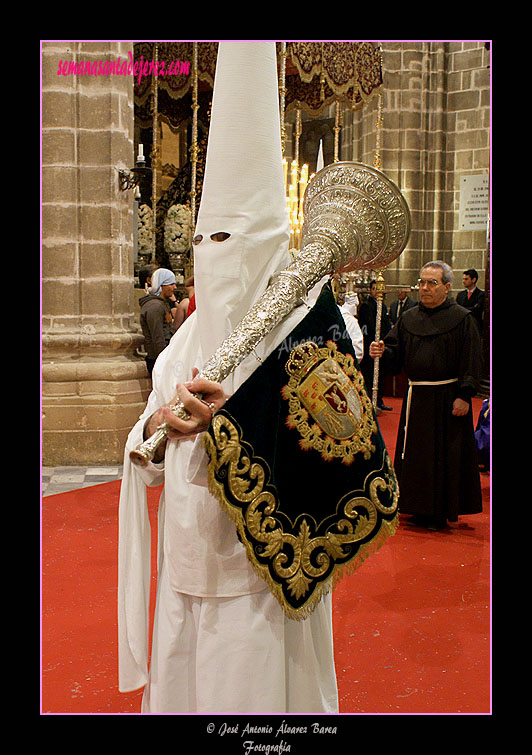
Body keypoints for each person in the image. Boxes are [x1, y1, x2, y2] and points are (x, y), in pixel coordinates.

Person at [118, 42, 339, 714]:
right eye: (208, 243)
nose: (219, 259)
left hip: (263, 578)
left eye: (234, 243)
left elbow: (343, 455)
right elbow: (143, 447)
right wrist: (158, 424)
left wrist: (235, 419)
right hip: (188, 568)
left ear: (272, 248)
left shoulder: (311, 336)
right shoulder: (177, 346)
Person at [369, 260, 483, 530]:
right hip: (417, 397)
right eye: (421, 282)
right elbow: (396, 356)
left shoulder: (462, 319)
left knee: (444, 455)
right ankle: (415, 506)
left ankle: (440, 510)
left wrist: (465, 395)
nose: (424, 288)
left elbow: (472, 360)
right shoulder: (408, 318)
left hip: (448, 397)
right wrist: (383, 352)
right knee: (416, 454)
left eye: (432, 283)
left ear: (446, 286)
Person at [357, 279, 392, 412]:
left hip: (381, 344)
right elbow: (367, 327)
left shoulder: (382, 306)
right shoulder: (366, 306)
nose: (377, 291)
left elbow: (385, 325)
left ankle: (380, 400)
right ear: (371, 290)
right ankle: (371, 400)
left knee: (380, 373)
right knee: (370, 374)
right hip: (370, 345)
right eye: (374, 288)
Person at [139, 268, 177, 376]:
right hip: (159, 361)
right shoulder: (155, 307)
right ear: (162, 285)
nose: (175, 287)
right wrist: (165, 363)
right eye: (171, 284)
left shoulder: (161, 304)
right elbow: (157, 337)